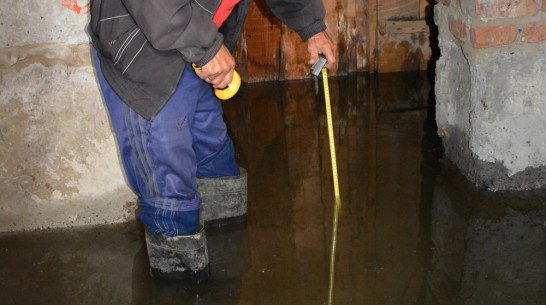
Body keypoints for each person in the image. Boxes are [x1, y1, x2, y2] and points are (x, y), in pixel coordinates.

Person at [88, 0, 336, 283]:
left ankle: (226, 270)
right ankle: (180, 287)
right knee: (169, 185)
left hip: (198, 39)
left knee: (214, 157)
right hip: (144, 45)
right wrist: (205, 47)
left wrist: (312, 26)